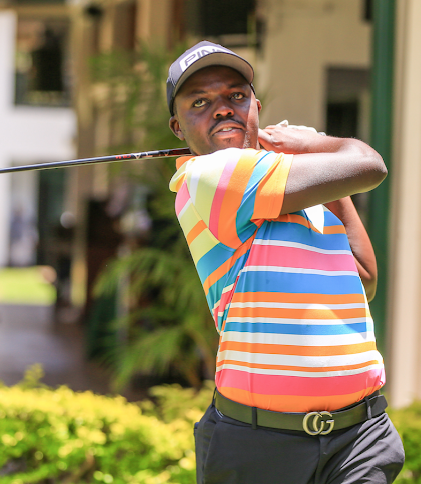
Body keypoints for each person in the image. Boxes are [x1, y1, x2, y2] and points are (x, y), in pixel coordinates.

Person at [166, 41, 404, 484]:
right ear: (178, 127)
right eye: (200, 102)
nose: (221, 109)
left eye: (235, 97)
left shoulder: (294, 185)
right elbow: (369, 164)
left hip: (359, 439)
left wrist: (305, 158)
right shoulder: (208, 176)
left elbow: (365, 278)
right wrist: (315, 144)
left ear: (256, 107)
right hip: (261, 445)